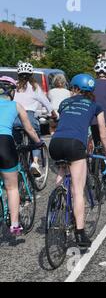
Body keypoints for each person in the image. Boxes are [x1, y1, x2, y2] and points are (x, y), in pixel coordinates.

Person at [49, 74, 106, 247]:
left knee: (63, 170)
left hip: (55, 144)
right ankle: (80, 233)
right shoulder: (95, 106)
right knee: (78, 190)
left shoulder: (64, 104)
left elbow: (62, 122)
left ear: (76, 88)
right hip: (75, 144)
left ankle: (58, 198)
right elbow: (102, 134)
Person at [0, 76, 42, 236]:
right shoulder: (16, 105)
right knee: (11, 187)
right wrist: (38, 143)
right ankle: (15, 225)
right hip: (4, 143)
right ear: (11, 92)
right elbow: (29, 129)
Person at [13, 62, 57, 177]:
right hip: (29, 118)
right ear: (31, 74)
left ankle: (16, 162)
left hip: (14, 119)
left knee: (16, 143)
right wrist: (53, 114)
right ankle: (35, 163)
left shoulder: (14, 86)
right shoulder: (35, 87)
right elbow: (46, 103)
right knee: (35, 140)